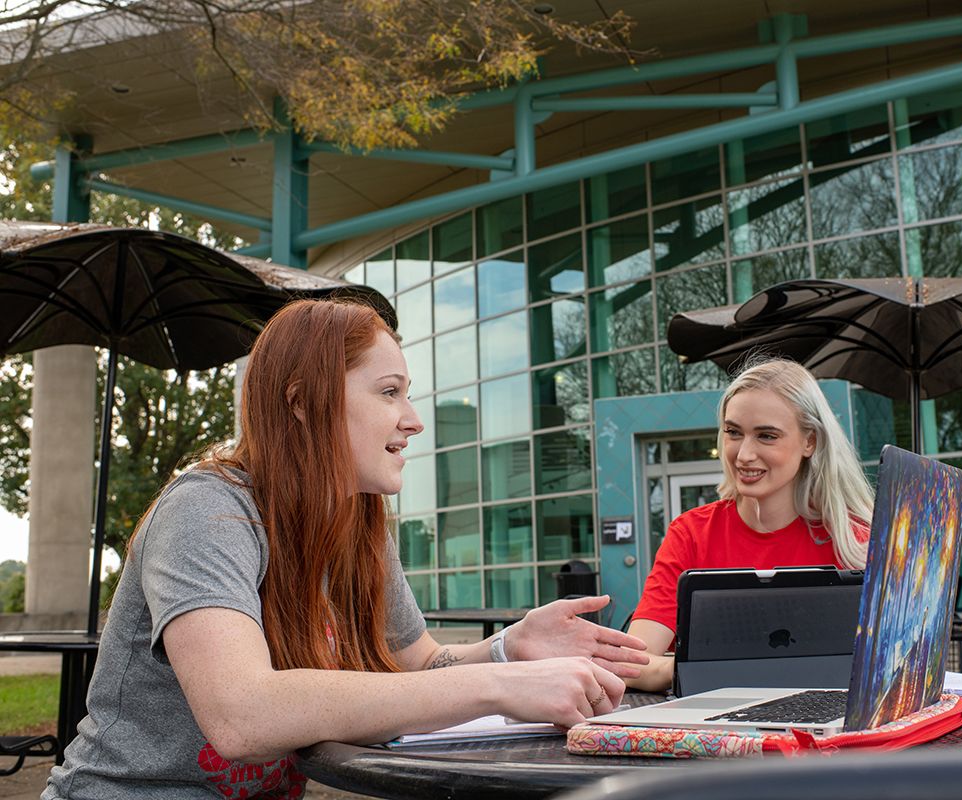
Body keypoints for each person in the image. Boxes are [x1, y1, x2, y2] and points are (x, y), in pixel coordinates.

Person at [44, 300, 647, 799]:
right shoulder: (209, 510)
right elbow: (241, 716)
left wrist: (508, 649)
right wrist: (498, 687)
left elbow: (415, 665)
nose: (413, 420)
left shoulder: (356, 522)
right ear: (302, 403)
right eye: (389, 392)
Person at [625, 358, 873, 692]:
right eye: (733, 433)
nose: (743, 455)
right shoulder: (691, 533)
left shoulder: (855, 540)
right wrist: (703, 670)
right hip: (716, 728)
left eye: (766, 436)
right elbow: (632, 663)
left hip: (828, 729)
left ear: (809, 441)